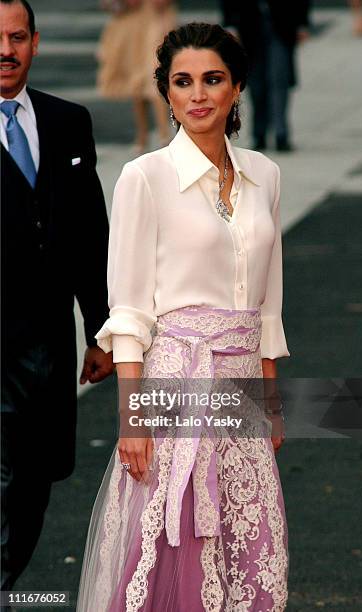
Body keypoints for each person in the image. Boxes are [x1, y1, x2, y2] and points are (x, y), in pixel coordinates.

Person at [77, 22, 290, 612]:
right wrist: (132, 419)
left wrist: (270, 405)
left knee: (247, 554)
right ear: (166, 94)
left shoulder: (265, 175)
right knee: (175, 553)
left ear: (237, 88)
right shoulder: (144, 178)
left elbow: (268, 306)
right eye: (182, 82)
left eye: (212, 80)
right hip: (175, 386)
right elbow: (128, 310)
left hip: (243, 390)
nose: (198, 95)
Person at [0, 0, 114, 595]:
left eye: (17, 38)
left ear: (35, 43)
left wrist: (101, 329)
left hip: (49, 347)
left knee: (35, 485)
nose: (5, 51)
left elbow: (88, 233)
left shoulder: (68, 121)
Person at [221, 0, 311, 152]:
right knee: (256, 84)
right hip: (248, 24)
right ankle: (259, 133)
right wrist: (230, 22)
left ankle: (281, 133)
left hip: (282, 24)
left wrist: (302, 22)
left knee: (279, 79)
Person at [98, 0, 176, 153]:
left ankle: (164, 133)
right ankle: (143, 134)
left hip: (154, 20)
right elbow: (108, 5)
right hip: (130, 22)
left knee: (154, 74)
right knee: (136, 81)